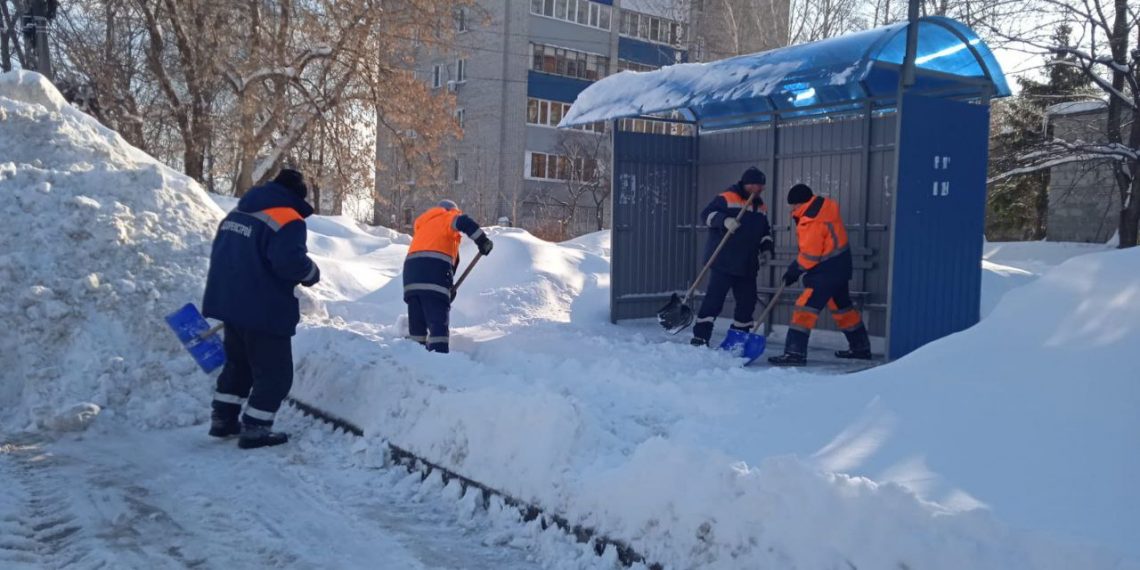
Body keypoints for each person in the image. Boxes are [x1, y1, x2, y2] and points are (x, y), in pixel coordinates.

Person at [202, 169, 320, 449]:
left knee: (238, 365)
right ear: (296, 196)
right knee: (275, 374)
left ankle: (223, 419)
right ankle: (256, 429)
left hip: (231, 303)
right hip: (264, 308)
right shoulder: (287, 218)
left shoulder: (238, 214)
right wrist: (311, 272)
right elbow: (289, 262)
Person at [769, 184, 871, 366]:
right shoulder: (825, 209)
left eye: (794, 205)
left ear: (801, 203)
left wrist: (794, 271)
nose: (792, 209)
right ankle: (860, 348)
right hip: (840, 267)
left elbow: (811, 254)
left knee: (804, 308)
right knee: (843, 308)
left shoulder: (811, 220)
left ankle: (794, 353)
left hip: (826, 271)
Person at [691, 166, 774, 347]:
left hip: (748, 264)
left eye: (763, 186)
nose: (761, 189)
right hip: (724, 260)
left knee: (747, 302)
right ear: (748, 184)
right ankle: (700, 337)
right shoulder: (727, 198)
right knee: (714, 300)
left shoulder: (761, 206)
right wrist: (724, 221)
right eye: (759, 185)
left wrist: (767, 247)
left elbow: (764, 231)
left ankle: (738, 338)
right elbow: (706, 215)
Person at [403, 200, 493, 353]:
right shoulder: (446, 217)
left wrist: (448, 288)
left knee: (417, 326)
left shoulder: (424, 226)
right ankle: (440, 359)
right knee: (438, 326)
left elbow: (450, 263)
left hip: (410, 279)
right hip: (433, 273)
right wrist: (482, 240)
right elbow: (464, 222)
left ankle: (415, 357)